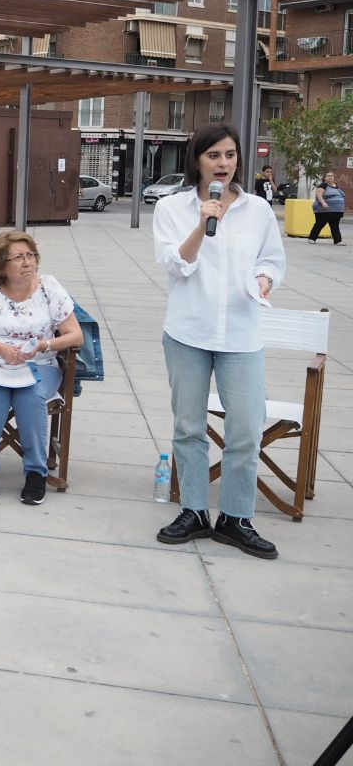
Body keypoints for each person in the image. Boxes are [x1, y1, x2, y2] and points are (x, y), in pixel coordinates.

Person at [153, 124, 285, 560]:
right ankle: (193, 511)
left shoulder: (258, 209)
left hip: (242, 335)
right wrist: (202, 223)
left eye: (230, 154)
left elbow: (272, 260)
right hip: (188, 332)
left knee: (246, 429)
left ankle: (235, 518)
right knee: (188, 427)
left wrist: (265, 279)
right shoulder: (172, 207)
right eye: (213, 155)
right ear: (197, 160)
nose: (223, 163)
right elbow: (176, 264)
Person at [0, 231, 83, 505]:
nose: (28, 262)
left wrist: (44, 345)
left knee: (31, 394)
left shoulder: (49, 288)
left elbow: (76, 336)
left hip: (38, 364)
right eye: (18, 257)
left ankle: (35, 473)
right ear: (0, 265)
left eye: (31, 255)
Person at [308, 171, 344, 245]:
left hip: (336, 210)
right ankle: (312, 238)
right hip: (324, 210)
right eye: (328, 176)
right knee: (319, 224)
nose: (330, 177)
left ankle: (337, 241)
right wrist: (323, 203)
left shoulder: (336, 186)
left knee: (335, 225)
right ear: (324, 178)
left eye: (332, 176)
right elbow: (319, 194)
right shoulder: (323, 185)